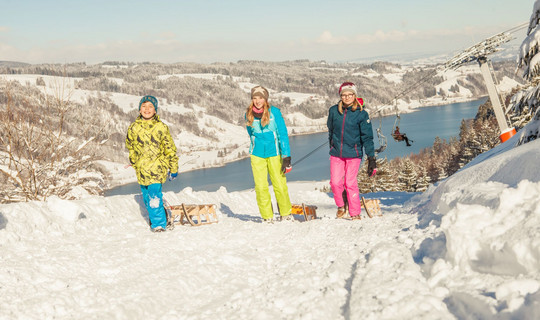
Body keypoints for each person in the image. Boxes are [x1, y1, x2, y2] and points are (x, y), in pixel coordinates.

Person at [126, 95, 179, 232]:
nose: (147, 109)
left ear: (155, 110)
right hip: (142, 170)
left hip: (157, 169)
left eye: (150, 107)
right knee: (147, 198)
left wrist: (173, 168)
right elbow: (130, 146)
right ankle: (163, 216)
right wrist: (134, 161)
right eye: (144, 106)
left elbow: (170, 149)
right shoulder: (133, 128)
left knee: (154, 197)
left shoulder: (161, 127)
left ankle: (158, 225)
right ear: (139, 110)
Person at [327, 82, 377, 220]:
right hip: (336, 153)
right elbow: (330, 130)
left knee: (350, 183)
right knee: (335, 183)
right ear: (340, 96)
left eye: (350, 94)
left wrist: (371, 158)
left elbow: (367, 138)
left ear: (355, 96)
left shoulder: (361, 114)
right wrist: (332, 145)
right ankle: (341, 205)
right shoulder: (333, 111)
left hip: (354, 154)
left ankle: (355, 212)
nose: (347, 97)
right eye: (344, 95)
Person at [245, 85, 293, 223]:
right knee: (260, 187)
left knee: (279, 184)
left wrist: (286, 156)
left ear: (265, 99)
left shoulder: (274, 113)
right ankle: (267, 216)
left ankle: (285, 214)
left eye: (260, 97)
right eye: (255, 98)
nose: (257, 101)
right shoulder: (248, 114)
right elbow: (251, 133)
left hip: (274, 153)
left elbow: (282, 134)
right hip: (257, 154)